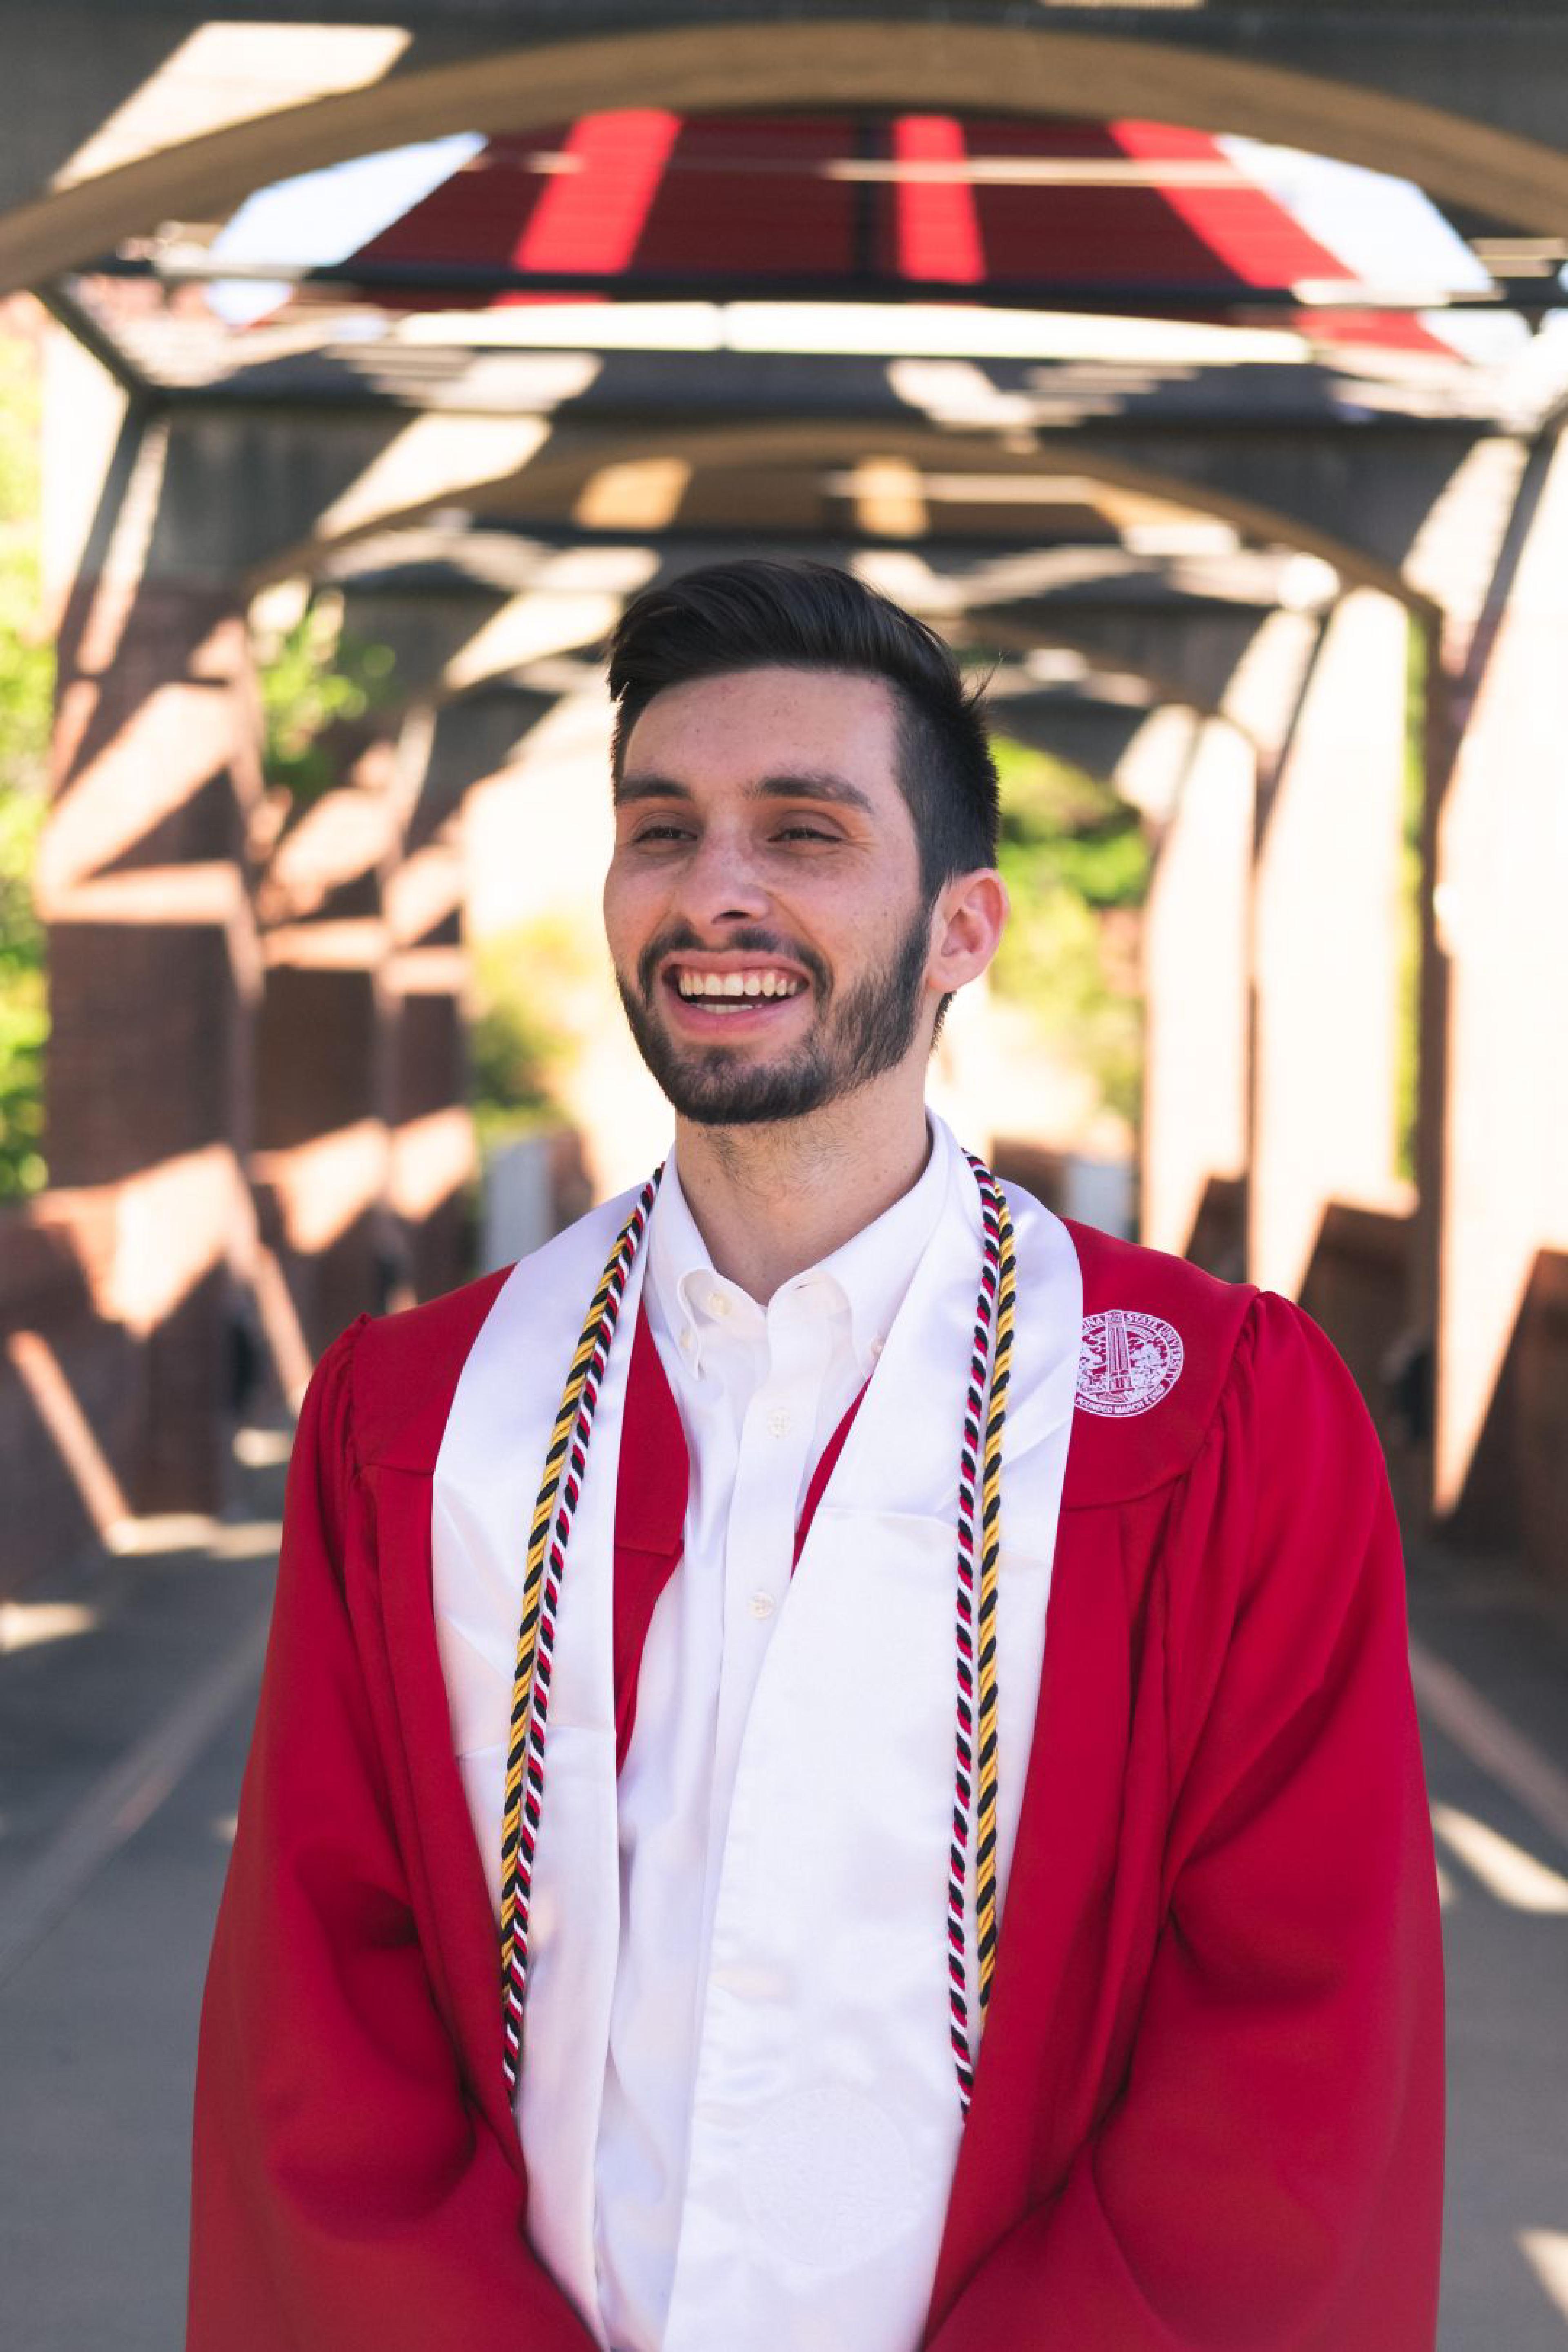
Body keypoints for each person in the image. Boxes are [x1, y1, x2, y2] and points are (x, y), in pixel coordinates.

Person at [188, 560, 1444, 2350]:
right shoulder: (418, 1426)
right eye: (662, 829)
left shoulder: (1221, 1426)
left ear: (962, 929)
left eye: (806, 832)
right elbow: (325, 2030)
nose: (717, 893)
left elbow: (1288, 2060)